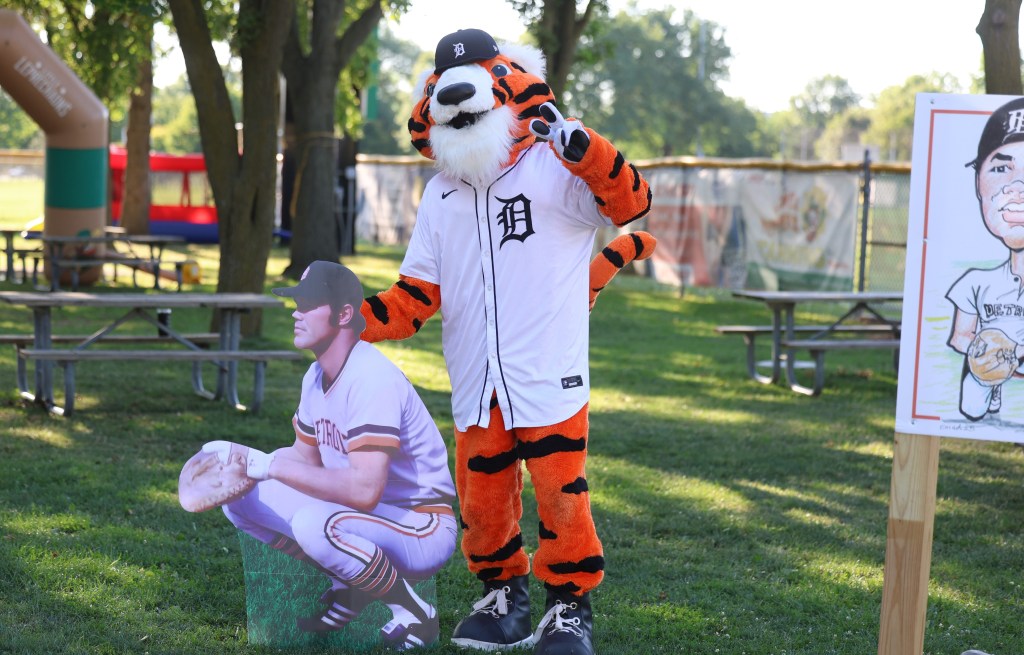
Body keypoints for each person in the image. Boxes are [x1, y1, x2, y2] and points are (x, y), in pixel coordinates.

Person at [203, 261, 457, 650]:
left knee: (313, 524)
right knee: (240, 500)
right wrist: (246, 465)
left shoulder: (371, 378)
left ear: (343, 314)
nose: (295, 312)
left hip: (420, 525)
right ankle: (353, 583)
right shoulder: (315, 376)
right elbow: (304, 459)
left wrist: (269, 465)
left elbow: (365, 490)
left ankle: (415, 613)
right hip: (367, 519)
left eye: (307, 304)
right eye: (296, 303)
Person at [947, 96, 1024, 421]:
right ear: (978, 183)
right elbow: (959, 337)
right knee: (971, 407)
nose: (1017, 186)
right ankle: (986, 384)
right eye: (1001, 168)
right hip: (987, 365)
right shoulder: (976, 282)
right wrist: (992, 358)